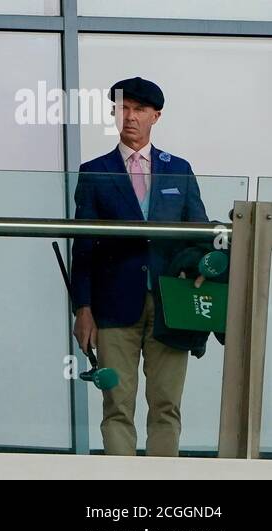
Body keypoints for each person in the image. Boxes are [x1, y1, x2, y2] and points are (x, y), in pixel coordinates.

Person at [70, 76, 209, 457]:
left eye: (139, 110)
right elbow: (82, 245)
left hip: (171, 304)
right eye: (123, 109)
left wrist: (197, 271)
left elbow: (199, 233)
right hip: (113, 304)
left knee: (166, 405)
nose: (129, 117)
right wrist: (83, 308)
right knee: (116, 406)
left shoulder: (178, 169)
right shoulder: (95, 170)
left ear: (156, 116)